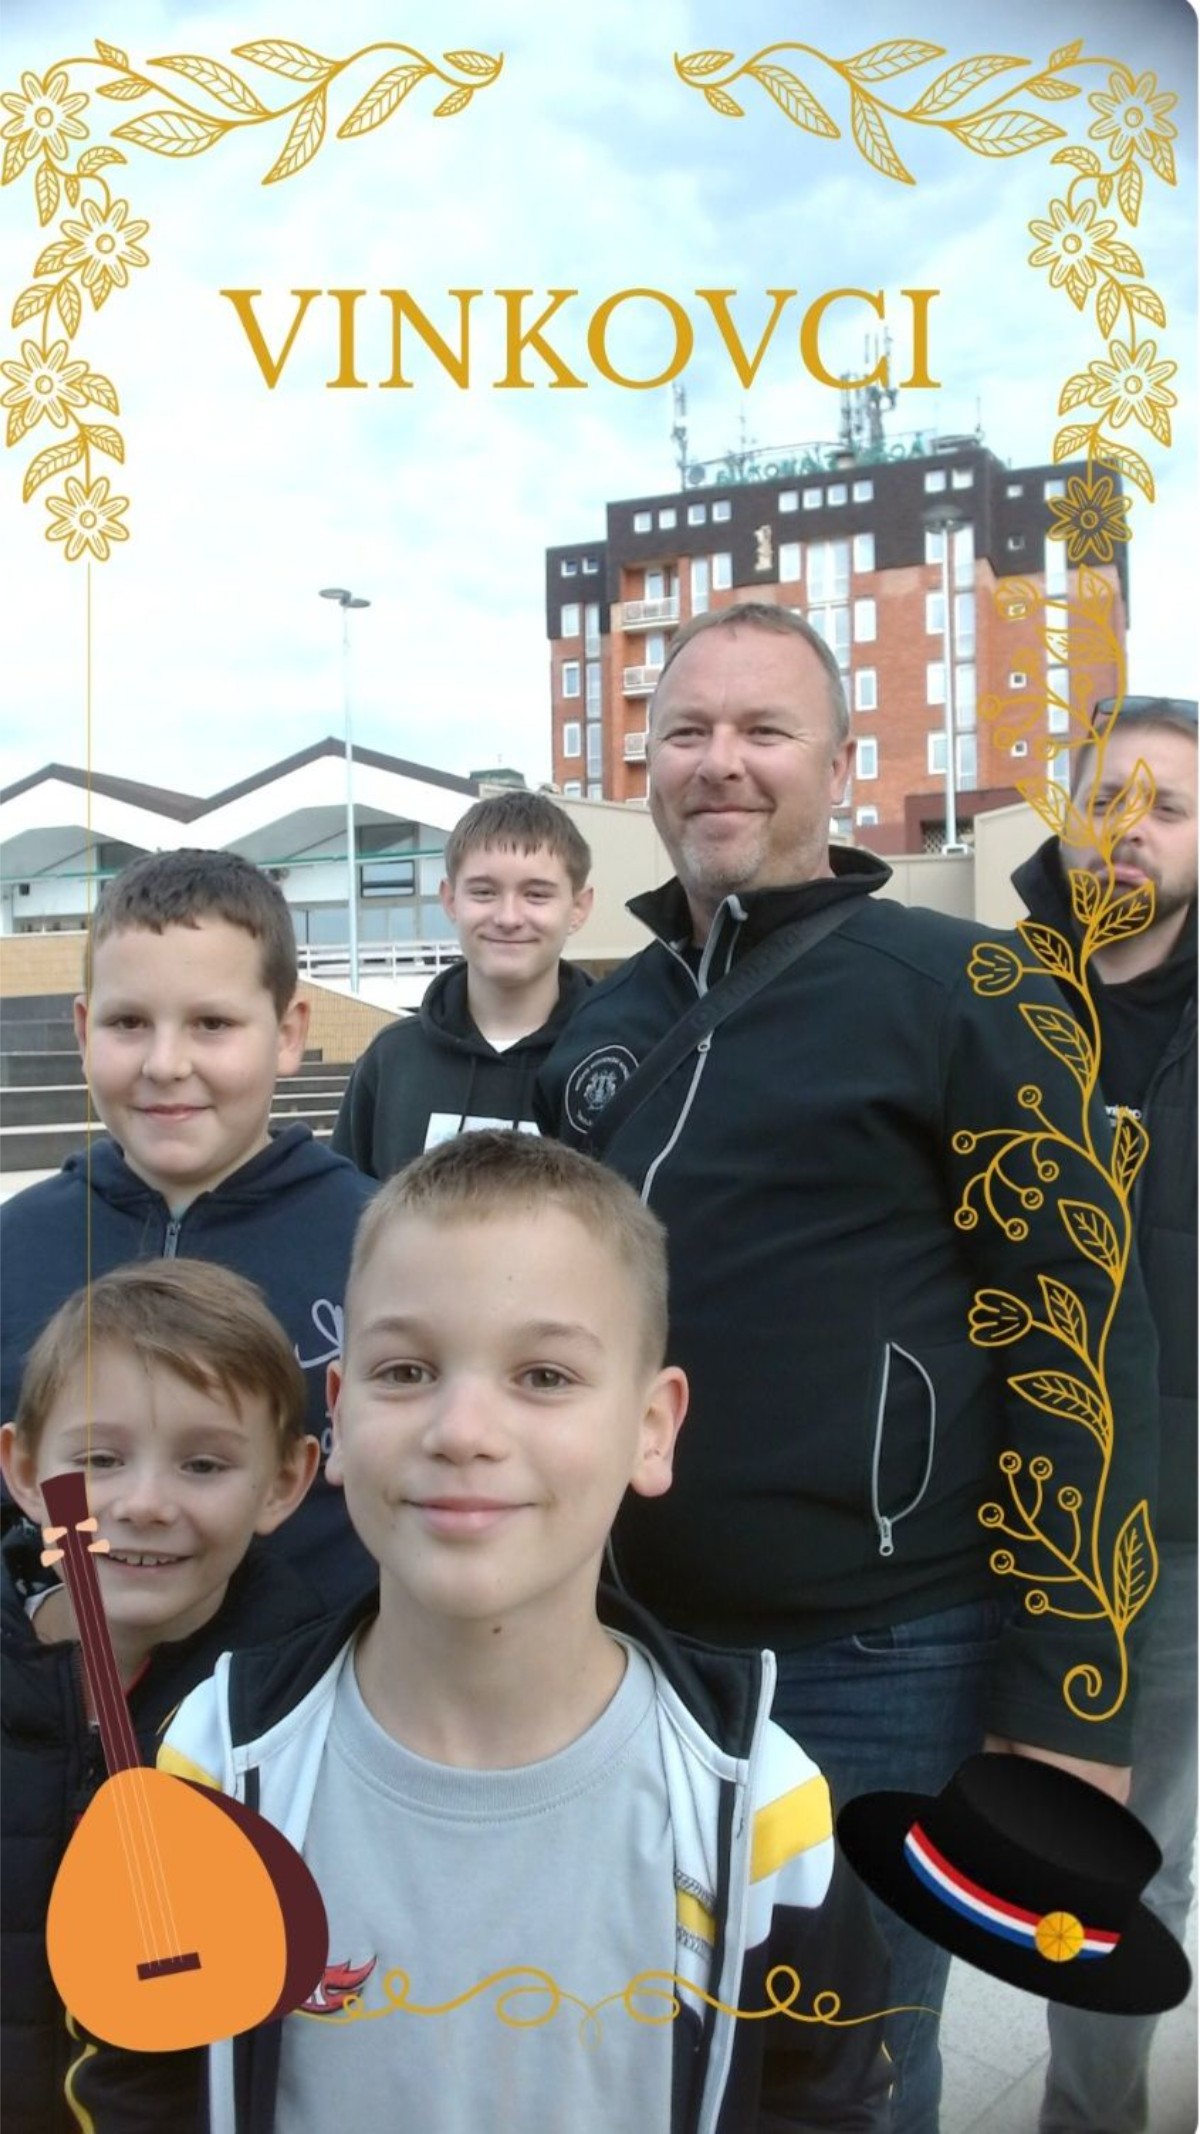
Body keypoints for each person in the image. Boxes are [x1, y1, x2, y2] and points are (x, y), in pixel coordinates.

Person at [537, 603, 1161, 2134]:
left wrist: (1073, 1702)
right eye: (687, 731)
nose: (721, 761)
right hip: (628, 1649)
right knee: (647, 2046)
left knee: (856, 2065)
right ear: (647, 765)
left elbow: (1081, 1338)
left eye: (765, 730)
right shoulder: (604, 1027)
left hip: (886, 1655)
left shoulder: (964, 989)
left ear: (841, 762)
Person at [88, 1132, 893, 2132]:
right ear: (337, 1417)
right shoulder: (215, 1767)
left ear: (652, 1428)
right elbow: (142, 2080)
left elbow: (824, 2098)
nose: (462, 1430)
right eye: (406, 1369)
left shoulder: (759, 1811)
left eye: (544, 1375)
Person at [0, 848, 377, 1606]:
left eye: (211, 1023)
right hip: (65, 1672)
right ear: (84, 1031)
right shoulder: (15, 1248)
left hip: (314, 1667)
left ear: (287, 1033)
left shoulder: (381, 1247)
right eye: (129, 1023)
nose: (166, 1063)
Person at [0, 1258, 323, 2134]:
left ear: (283, 1483)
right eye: (99, 1459)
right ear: (24, 1470)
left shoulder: (299, 1714)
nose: (144, 1504)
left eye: (203, 1464)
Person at [1011, 696, 1197, 2134]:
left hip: (1179, 1524)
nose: (1131, 833)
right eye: (1109, 801)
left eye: (1168, 809)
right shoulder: (979, 992)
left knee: (1130, 1860)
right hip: (992, 1501)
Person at [331, 790, 593, 1175]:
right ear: (451, 900)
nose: (508, 918)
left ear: (579, 907)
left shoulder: (611, 1057)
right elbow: (349, 1203)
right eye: (484, 892)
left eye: (536, 895)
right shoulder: (392, 1060)